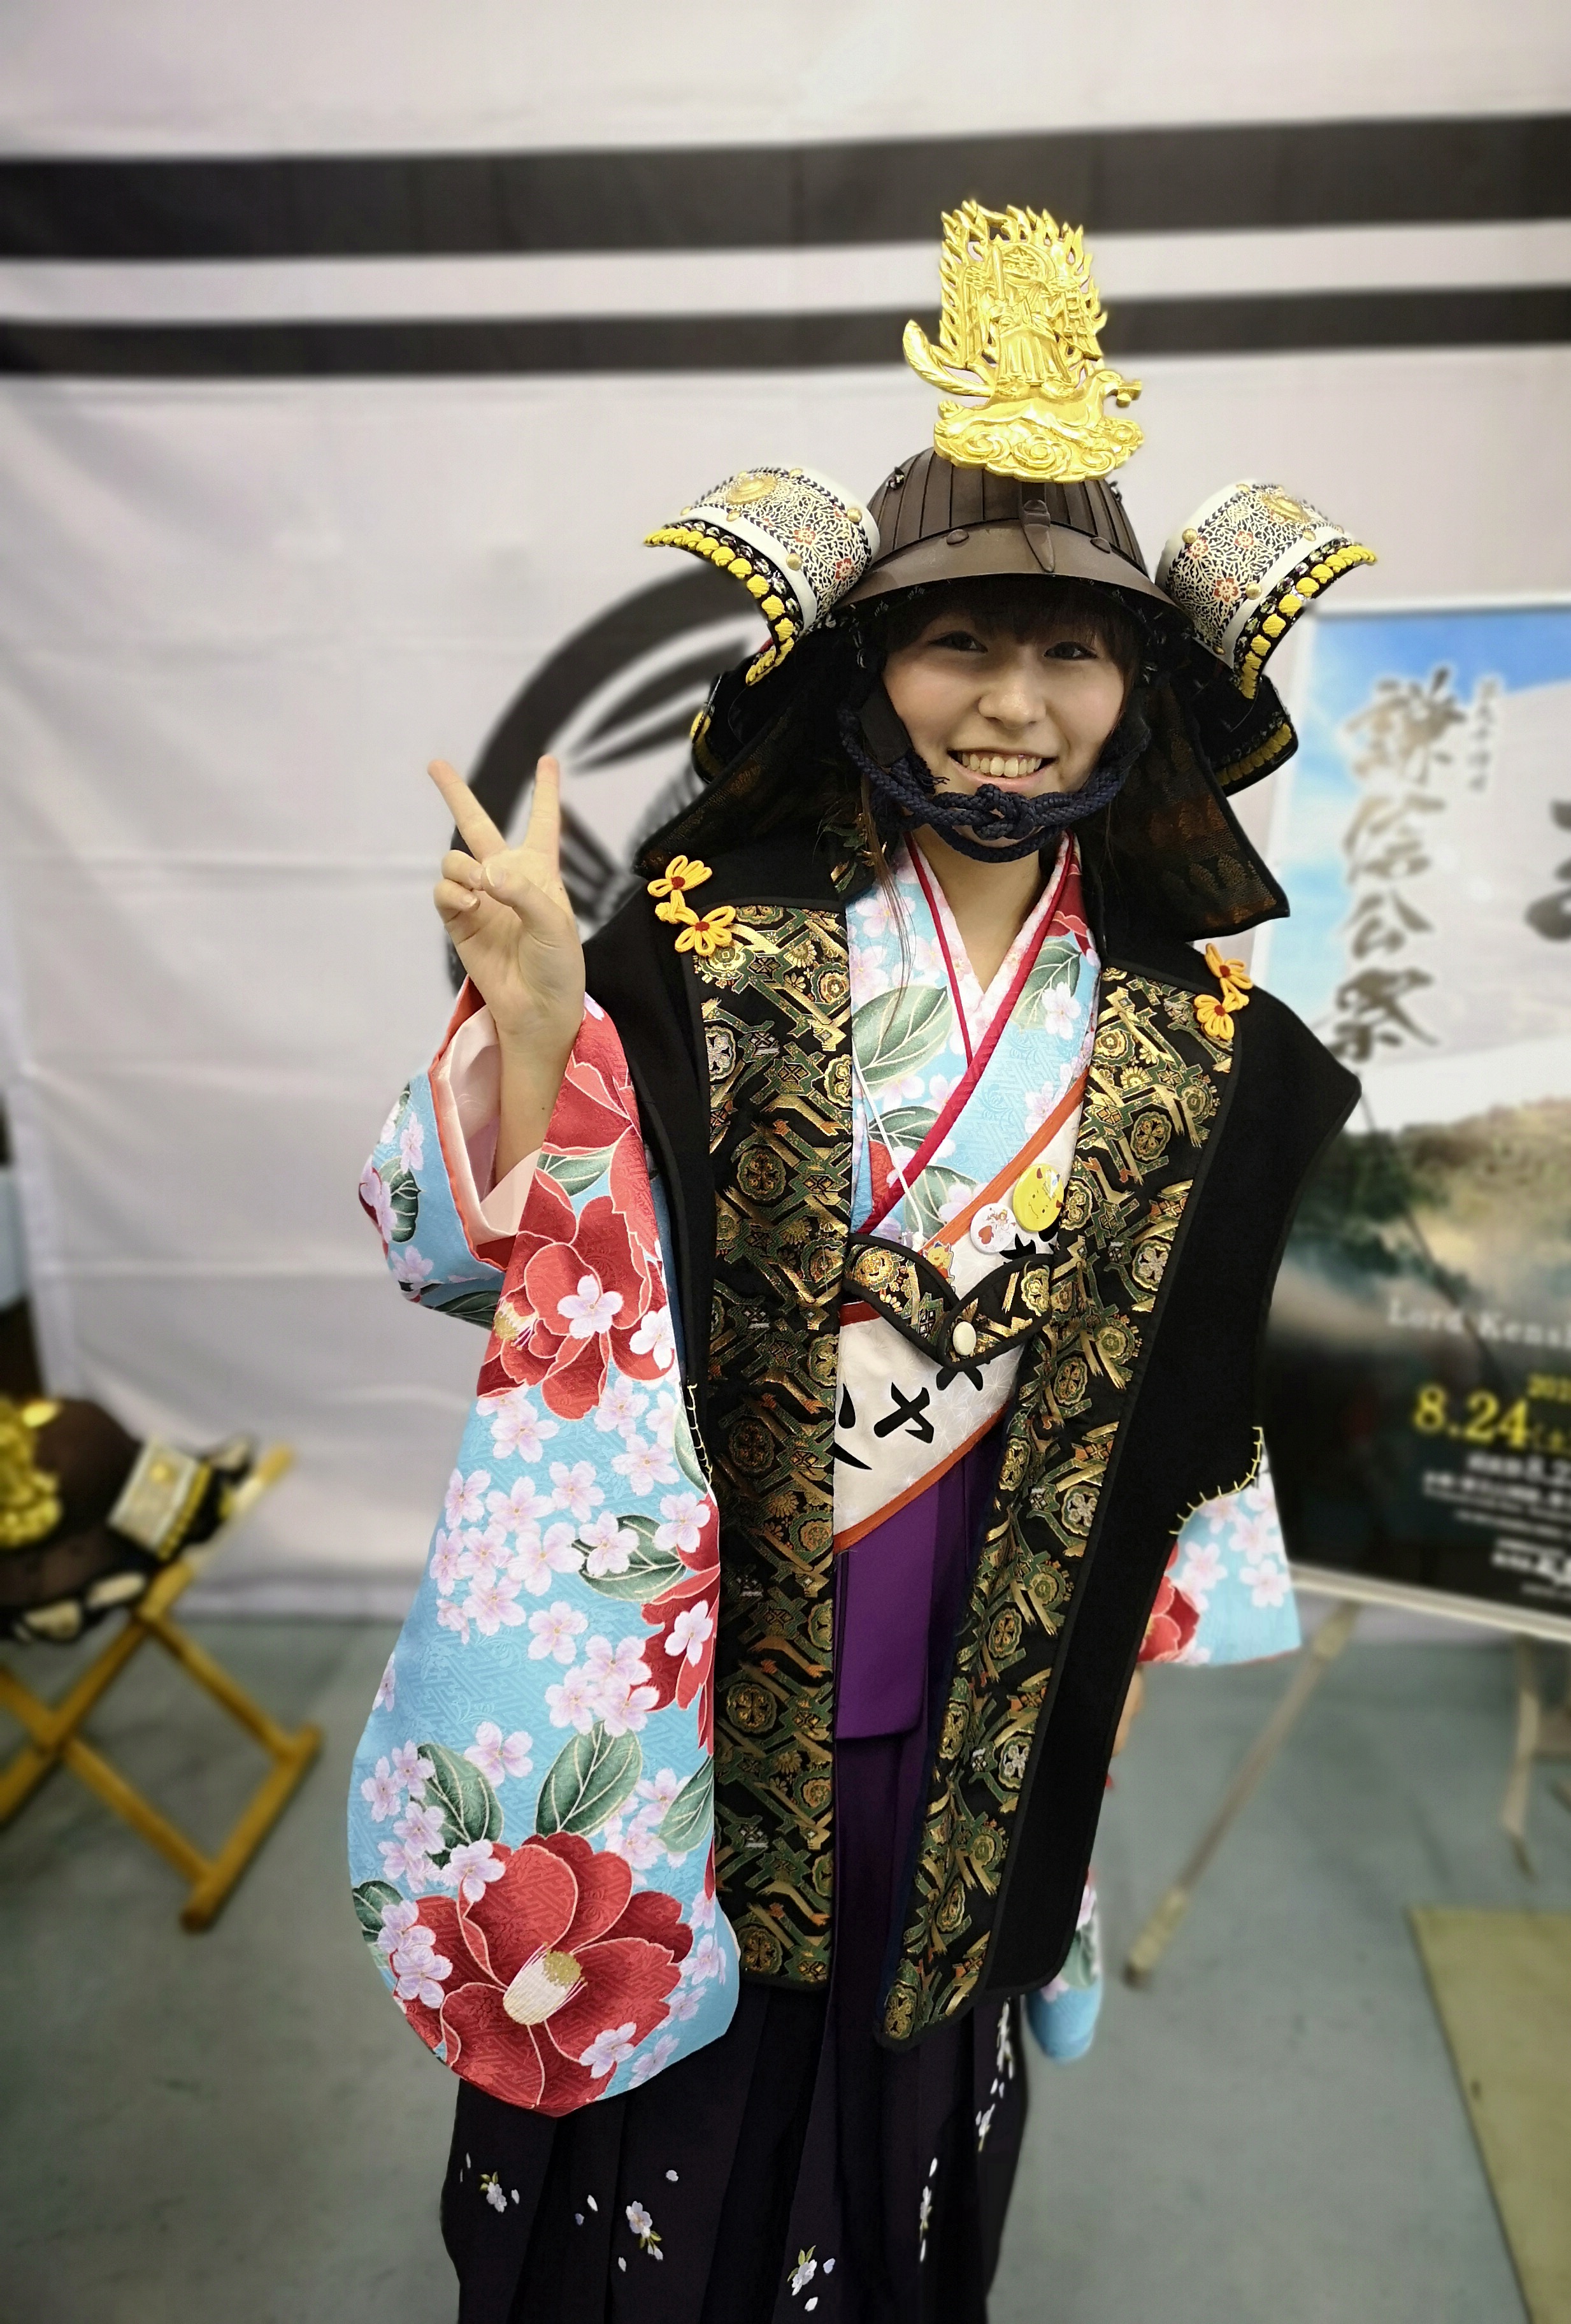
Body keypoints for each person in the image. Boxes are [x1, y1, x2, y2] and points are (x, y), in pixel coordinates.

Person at [349, 200, 1368, 2323]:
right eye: (957, 643)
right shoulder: (710, 953)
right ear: (863, 668)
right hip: (712, 1648)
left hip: (997, 1643)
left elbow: (1192, 1396)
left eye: (1070, 653)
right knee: (668, 2089)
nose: (1012, 706)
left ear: (1141, 689)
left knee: (914, 2069)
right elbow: (499, 1261)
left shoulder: (1200, 1032)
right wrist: (541, 1018)